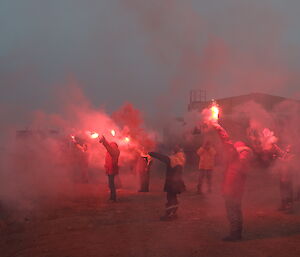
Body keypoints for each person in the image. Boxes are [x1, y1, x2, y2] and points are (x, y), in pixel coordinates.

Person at [211, 122, 253, 241]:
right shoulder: (244, 161)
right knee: (236, 211)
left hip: (231, 191)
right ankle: (237, 232)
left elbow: (227, 143)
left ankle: (235, 234)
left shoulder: (236, 158)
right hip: (237, 191)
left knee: (232, 212)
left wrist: (218, 128)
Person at [149, 147, 186, 221]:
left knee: (170, 198)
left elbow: (162, 157)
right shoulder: (181, 159)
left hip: (172, 183)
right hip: (178, 182)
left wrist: (151, 153)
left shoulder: (172, 159)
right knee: (174, 198)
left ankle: (169, 215)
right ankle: (174, 214)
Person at [273, 144, 295, 213]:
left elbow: (286, 162)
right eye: (287, 148)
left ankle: (289, 207)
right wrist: (275, 146)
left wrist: (279, 159)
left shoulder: (293, 156)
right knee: (282, 192)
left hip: (288, 178)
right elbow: (280, 151)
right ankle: (283, 205)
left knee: (288, 192)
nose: (287, 149)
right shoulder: (285, 155)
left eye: (289, 148)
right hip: (282, 177)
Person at [99, 135, 120, 202]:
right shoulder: (113, 150)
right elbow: (109, 148)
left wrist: (104, 141)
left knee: (111, 184)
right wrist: (104, 141)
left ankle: (113, 198)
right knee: (111, 184)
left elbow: (109, 148)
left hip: (112, 169)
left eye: (112, 145)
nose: (111, 146)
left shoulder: (114, 151)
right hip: (110, 169)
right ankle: (112, 197)